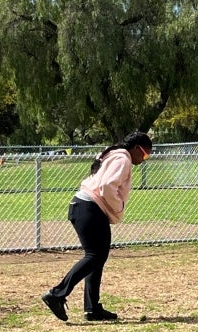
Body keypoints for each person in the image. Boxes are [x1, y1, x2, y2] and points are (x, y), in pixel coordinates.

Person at [41, 131, 153, 322]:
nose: (144, 159)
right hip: (89, 208)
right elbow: (107, 186)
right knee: (95, 256)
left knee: (97, 257)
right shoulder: (123, 159)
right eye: (144, 154)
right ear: (135, 148)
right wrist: (118, 209)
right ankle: (56, 294)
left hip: (85, 207)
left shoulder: (115, 156)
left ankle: (92, 308)